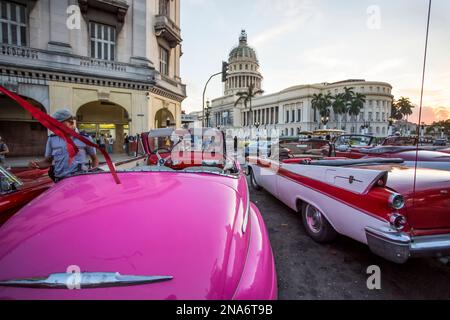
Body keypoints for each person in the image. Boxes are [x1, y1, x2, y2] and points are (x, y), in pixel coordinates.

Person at [29, 109, 99, 182]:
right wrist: (36, 164)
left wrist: (93, 176)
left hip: (79, 180)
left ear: (71, 122)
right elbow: (48, 162)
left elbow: (94, 159)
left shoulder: (85, 138)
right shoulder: (52, 139)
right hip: (60, 181)